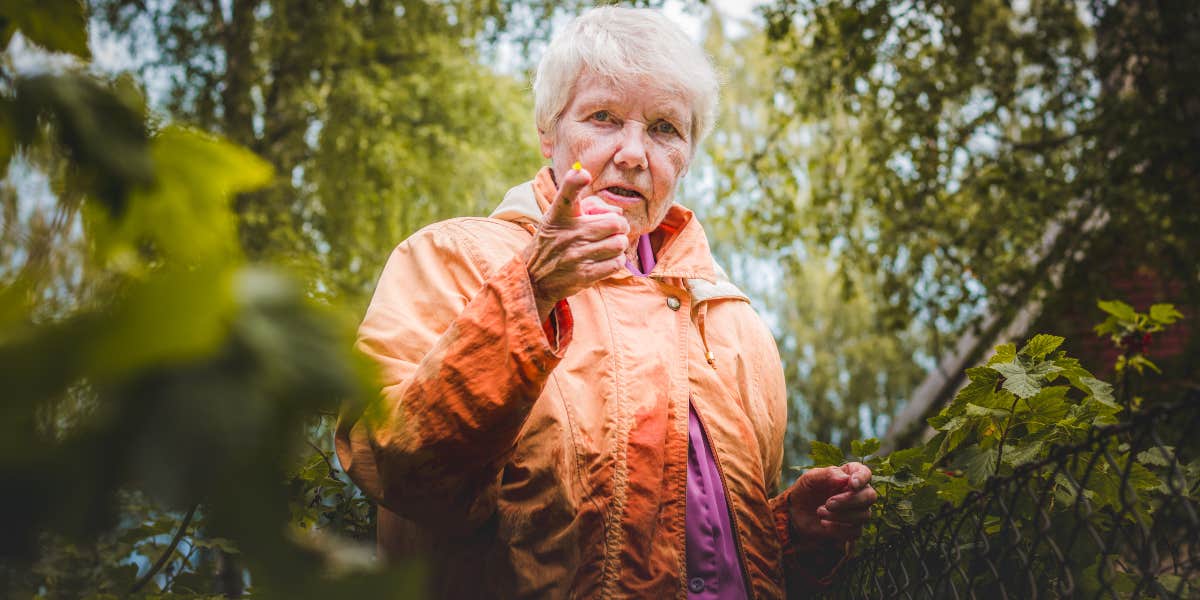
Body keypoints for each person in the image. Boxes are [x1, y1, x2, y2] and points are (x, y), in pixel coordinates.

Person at [335, 6, 877, 598]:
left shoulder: (733, 323)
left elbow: (705, 554)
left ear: (687, 155)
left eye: (665, 128)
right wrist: (530, 290)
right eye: (603, 117)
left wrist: (789, 532)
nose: (634, 153)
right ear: (549, 131)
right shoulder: (452, 257)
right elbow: (395, 466)